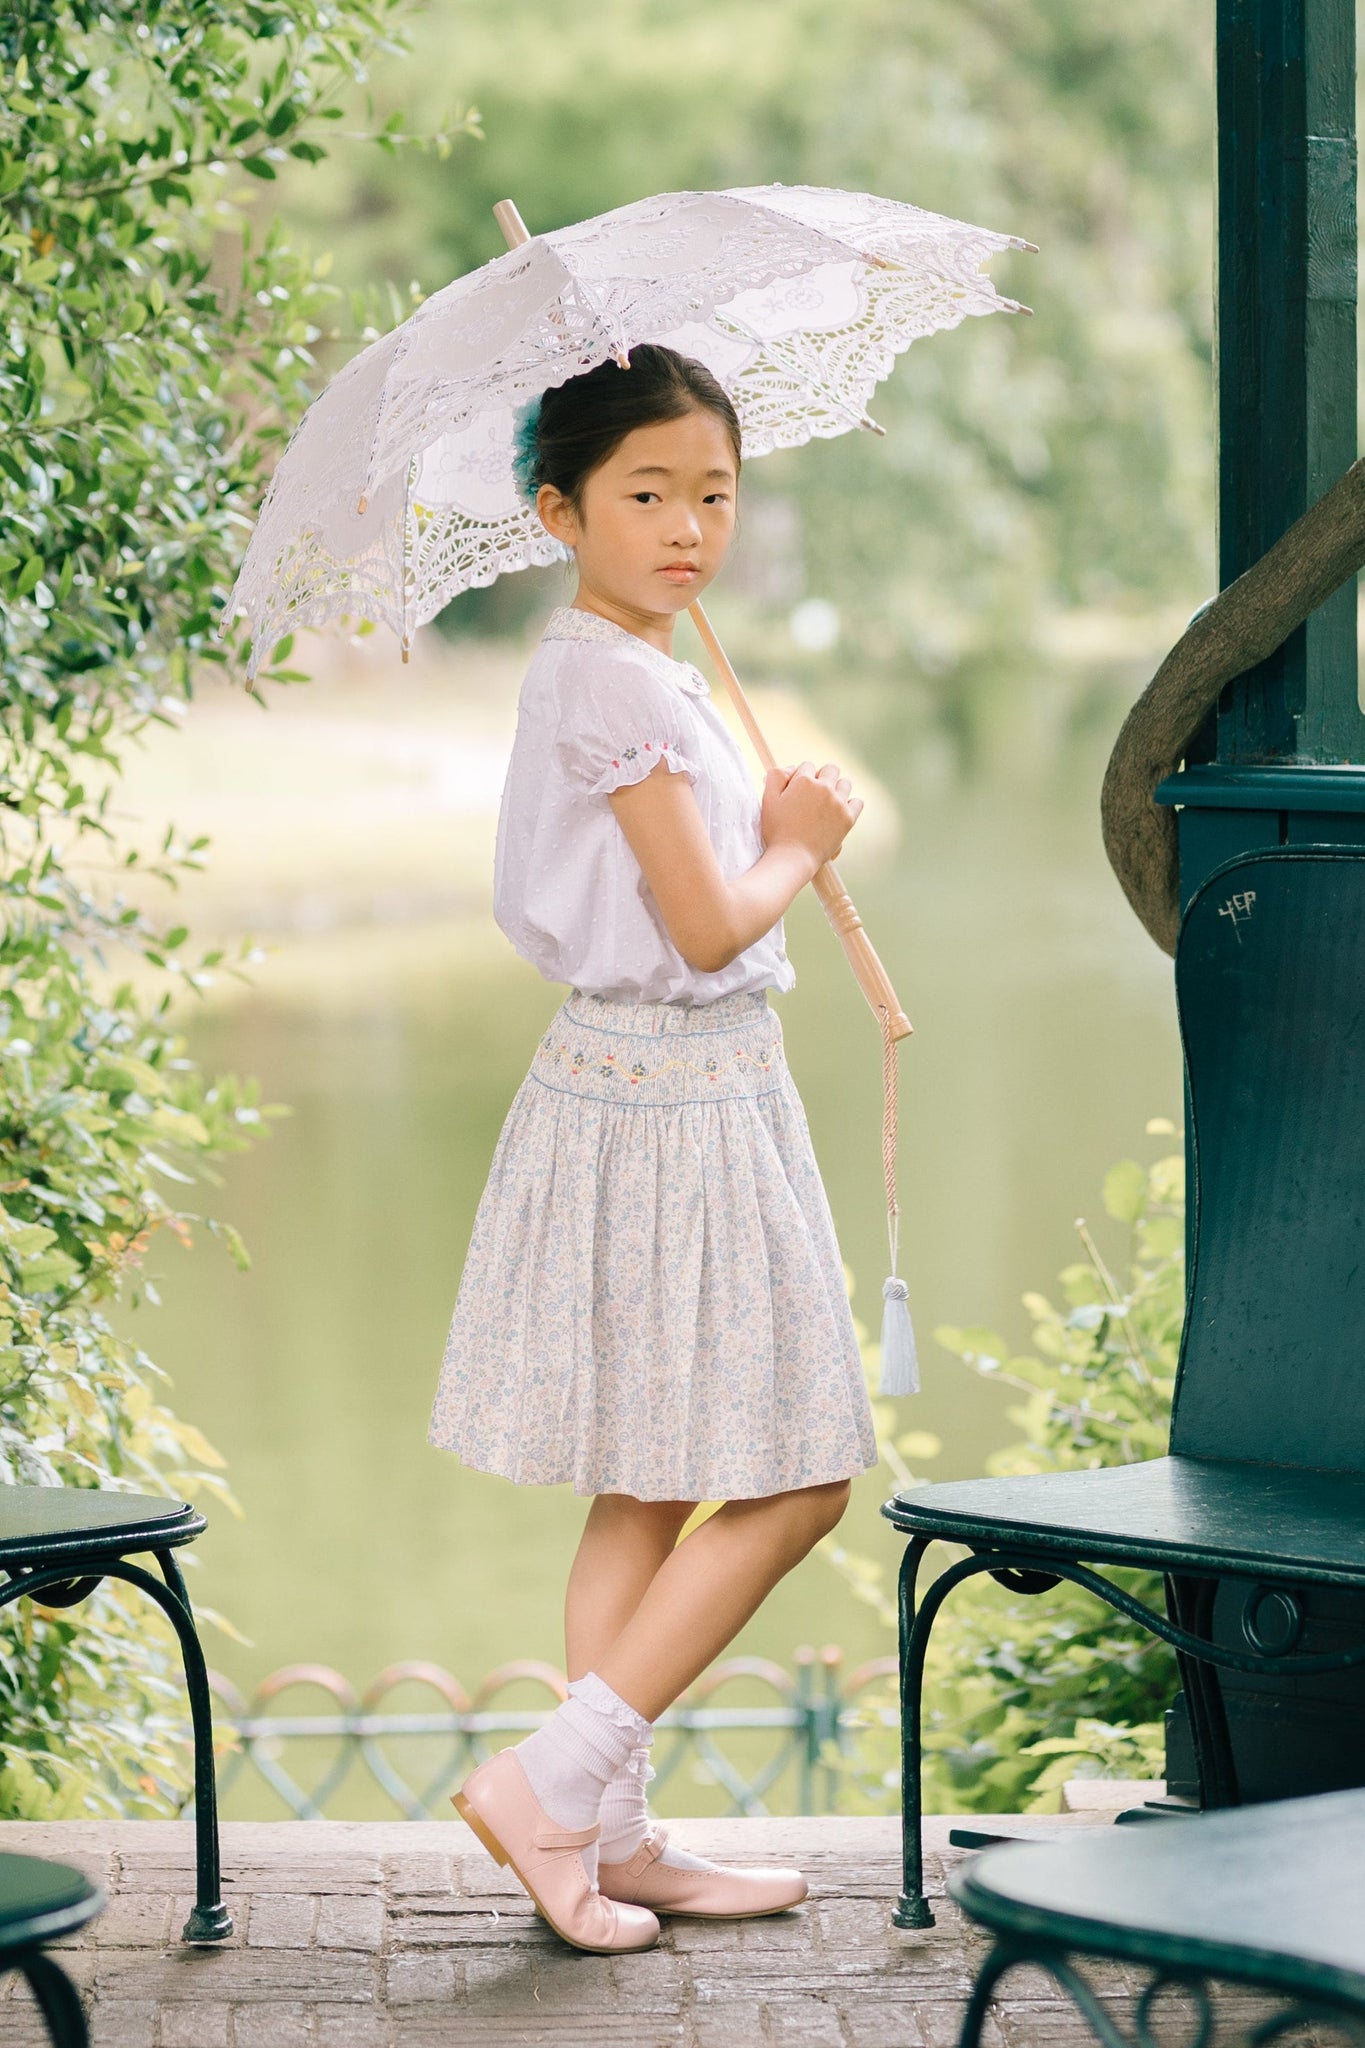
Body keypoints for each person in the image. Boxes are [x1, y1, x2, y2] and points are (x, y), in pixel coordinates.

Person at [427, 343, 879, 1956]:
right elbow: (700, 928)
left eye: (713, 493)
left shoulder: (628, 663)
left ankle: (600, 1835)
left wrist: (755, 821)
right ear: (559, 511)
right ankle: (556, 1783)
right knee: (800, 1471)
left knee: (644, 1479)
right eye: (644, 494)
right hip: (672, 1087)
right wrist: (789, 847)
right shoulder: (611, 676)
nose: (688, 525)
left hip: (651, 1085)